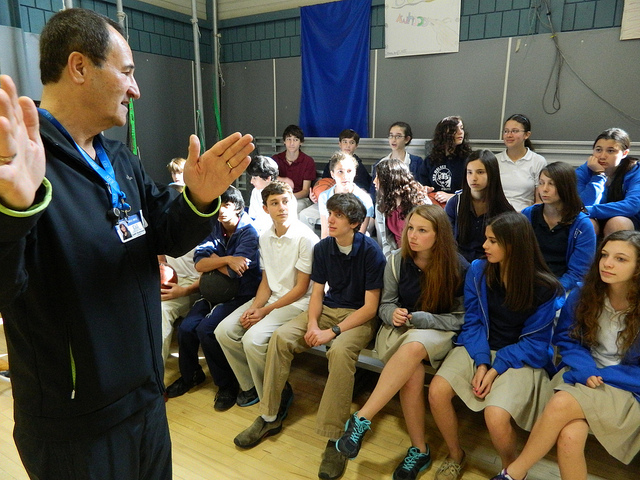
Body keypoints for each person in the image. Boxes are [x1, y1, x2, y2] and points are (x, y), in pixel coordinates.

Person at [0, 8, 253, 479]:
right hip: (78, 426)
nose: (136, 89)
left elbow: (163, 231)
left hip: (145, 399)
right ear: (79, 67)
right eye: (128, 72)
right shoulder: (21, 170)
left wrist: (198, 198)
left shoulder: (119, 159)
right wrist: (10, 212)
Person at [233, 193, 386, 480]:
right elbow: (317, 292)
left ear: (353, 223)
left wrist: (332, 332)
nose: (330, 220)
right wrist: (313, 324)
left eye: (338, 216)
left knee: (339, 352)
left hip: (358, 318)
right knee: (280, 338)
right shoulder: (324, 247)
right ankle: (270, 415)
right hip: (327, 310)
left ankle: (335, 437)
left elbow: (369, 308)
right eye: (330, 214)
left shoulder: (370, 251)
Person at [492, 230, 640, 480]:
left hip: (626, 386)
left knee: (561, 402)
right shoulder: (585, 293)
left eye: (621, 259)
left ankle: (512, 474)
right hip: (582, 373)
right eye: (604, 255)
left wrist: (601, 375)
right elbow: (566, 339)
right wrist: (585, 370)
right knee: (569, 436)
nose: (608, 263)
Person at [335, 205, 469, 480]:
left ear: (439, 234)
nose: (413, 235)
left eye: (422, 230)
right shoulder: (396, 260)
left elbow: (460, 318)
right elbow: (384, 305)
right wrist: (392, 313)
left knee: (416, 347)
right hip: (398, 331)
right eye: (410, 228)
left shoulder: (459, 267)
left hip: (435, 333)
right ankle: (419, 450)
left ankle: (363, 418)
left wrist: (425, 319)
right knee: (413, 372)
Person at [428, 212, 561, 480]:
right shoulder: (478, 271)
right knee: (437, 391)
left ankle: (511, 471)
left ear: (513, 245)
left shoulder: (546, 288)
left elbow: (535, 344)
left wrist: (495, 368)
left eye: (492, 241)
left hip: (520, 356)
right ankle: (456, 455)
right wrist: (481, 361)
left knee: (496, 415)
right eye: (486, 239)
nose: (484, 246)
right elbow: (473, 321)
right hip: (480, 347)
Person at [215, 181, 318, 407]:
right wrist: (255, 307)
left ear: (293, 202)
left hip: (297, 303)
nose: (281, 207)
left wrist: (264, 311)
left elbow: (301, 288)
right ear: (265, 209)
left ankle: (275, 395)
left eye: (285, 201)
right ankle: (251, 385)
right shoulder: (264, 236)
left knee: (253, 340)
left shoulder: (306, 238)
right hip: (270, 300)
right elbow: (266, 280)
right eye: (274, 203)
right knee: (223, 331)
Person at [165, 186, 261, 412]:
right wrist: (227, 259)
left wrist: (216, 260)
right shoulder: (213, 227)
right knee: (187, 328)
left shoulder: (249, 231)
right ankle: (191, 376)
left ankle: (227, 384)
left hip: (240, 294)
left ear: (238, 207)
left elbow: (234, 272)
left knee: (206, 329)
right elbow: (199, 263)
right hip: (210, 292)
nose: (221, 210)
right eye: (219, 205)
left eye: (226, 205)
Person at [522, 162, 596, 306]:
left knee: (551, 307)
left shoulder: (582, 225)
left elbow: (578, 272)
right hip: (529, 279)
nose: (544, 189)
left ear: (565, 187)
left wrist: (553, 289)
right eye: (541, 183)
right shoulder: (529, 215)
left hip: (562, 283)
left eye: (551, 184)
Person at [446, 150, 514, 263]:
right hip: (457, 262)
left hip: (490, 263)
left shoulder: (504, 208)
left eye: (480, 172)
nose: (473, 178)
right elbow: (447, 240)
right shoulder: (455, 203)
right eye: (469, 172)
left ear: (492, 174)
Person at [300, 128, 372, 231]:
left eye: (351, 142)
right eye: (345, 142)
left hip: (351, 206)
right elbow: (322, 185)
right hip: (329, 203)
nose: (348, 145)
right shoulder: (331, 164)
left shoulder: (360, 168)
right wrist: (316, 195)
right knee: (304, 215)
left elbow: (366, 189)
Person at [576, 128, 640, 236]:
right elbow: (582, 204)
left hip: (625, 219)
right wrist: (598, 175)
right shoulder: (583, 171)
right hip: (593, 217)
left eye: (610, 151)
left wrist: (591, 210)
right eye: (598, 150)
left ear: (624, 153)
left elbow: (632, 205)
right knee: (586, 223)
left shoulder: (635, 171)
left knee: (617, 223)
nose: (602, 156)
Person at [374, 158, 430, 258]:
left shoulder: (421, 202)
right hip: (395, 255)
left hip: (420, 254)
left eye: (378, 177)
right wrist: (391, 261)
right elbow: (385, 241)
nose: (374, 181)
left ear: (389, 180)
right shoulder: (380, 204)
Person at [496, 114, 547, 211]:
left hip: (524, 217)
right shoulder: (495, 160)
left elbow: (539, 201)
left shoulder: (538, 161)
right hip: (497, 217)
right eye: (506, 131)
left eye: (515, 131)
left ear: (527, 135)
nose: (509, 135)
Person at [159, 248, 201, 363]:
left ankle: (157, 371)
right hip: (171, 278)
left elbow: (209, 275)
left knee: (163, 310)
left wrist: (184, 291)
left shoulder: (204, 233)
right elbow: (160, 257)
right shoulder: (165, 231)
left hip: (195, 286)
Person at [418, 116, 472, 206]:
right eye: (454, 129)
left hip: (459, 207)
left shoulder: (468, 160)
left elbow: (473, 191)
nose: (460, 132)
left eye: (461, 128)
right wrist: (426, 190)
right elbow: (422, 186)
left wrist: (451, 196)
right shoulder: (430, 161)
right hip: (434, 208)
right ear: (443, 134)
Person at [319, 151, 374, 238]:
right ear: (332, 174)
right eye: (340, 171)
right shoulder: (324, 197)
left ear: (355, 172)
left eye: (349, 171)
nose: (345, 176)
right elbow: (325, 232)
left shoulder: (365, 199)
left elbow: (360, 234)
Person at [371, 121, 423, 199]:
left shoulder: (415, 162)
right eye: (391, 136)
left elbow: (419, 187)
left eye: (398, 136)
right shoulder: (380, 163)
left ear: (407, 139)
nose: (393, 140)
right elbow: (373, 191)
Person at [272, 124, 317, 213]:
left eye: (295, 140)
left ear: (301, 142)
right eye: (289, 139)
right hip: (278, 197)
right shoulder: (275, 159)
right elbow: (269, 181)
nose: (292, 143)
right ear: (284, 141)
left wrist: (288, 197)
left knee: (292, 209)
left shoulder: (308, 161)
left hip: (299, 199)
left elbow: (305, 191)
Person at [246, 154, 279, 235]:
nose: (251, 181)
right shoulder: (255, 192)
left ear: (268, 178)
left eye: (255, 178)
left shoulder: (282, 194)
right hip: (258, 230)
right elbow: (253, 215)